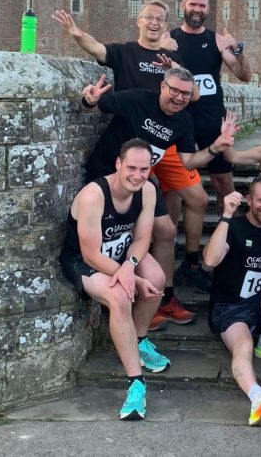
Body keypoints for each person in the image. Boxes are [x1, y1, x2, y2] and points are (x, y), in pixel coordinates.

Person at [54, 0, 208, 324]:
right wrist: (74, 32)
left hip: (154, 155)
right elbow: (95, 62)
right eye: (149, 17)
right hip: (118, 160)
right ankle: (136, 292)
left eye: (160, 18)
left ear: (166, 25)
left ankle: (163, 296)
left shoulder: (172, 61)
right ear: (138, 20)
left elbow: (192, 94)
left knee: (164, 228)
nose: (154, 22)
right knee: (125, 231)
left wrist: (175, 70)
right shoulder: (125, 53)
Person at [81, 66, 236, 325]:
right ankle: (125, 299)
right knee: (114, 236)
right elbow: (95, 103)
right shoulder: (137, 99)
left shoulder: (183, 120)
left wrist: (215, 147)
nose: (178, 97)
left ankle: (164, 299)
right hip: (106, 178)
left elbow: (188, 162)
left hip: (140, 182)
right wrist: (90, 98)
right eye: (173, 90)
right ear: (162, 87)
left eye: (185, 94)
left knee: (166, 230)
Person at [58, 139, 170, 420]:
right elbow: (91, 254)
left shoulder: (147, 190)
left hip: (122, 256)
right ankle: (136, 382)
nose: (137, 174)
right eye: (131, 167)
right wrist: (124, 275)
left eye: (144, 169)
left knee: (156, 276)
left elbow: (143, 238)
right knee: (119, 297)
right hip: (85, 262)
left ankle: (140, 339)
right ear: (119, 164)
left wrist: (130, 267)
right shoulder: (93, 195)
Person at [169, 0, 252, 291]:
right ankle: (182, 256)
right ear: (183, 5)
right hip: (180, 122)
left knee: (223, 183)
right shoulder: (171, 40)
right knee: (178, 187)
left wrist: (238, 52)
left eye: (203, 6)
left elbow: (243, 75)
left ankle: (226, 241)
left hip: (211, 122)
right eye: (193, 4)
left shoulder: (215, 39)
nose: (198, 9)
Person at [202, 180, 261, 427]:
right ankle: (258, 397)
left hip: (260, 308)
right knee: (243, 345)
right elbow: (210, 260)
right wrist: (226, 215)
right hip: (230, 308)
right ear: (249, 201)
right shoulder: (234, 227)